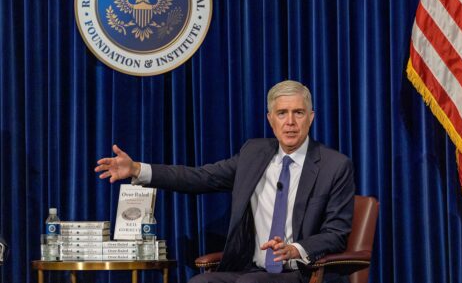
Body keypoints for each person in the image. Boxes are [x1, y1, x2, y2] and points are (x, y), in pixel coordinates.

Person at [96, 80, 355, 283]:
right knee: (201, 281)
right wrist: (138, 169)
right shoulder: (253, 153)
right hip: (250, 269)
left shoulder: (334, 165)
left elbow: (336, 234)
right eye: (282, 113)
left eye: (298, 112)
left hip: (301, 273)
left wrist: (295, 249)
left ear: (311, 117)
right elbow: (200, 177)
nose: (290, 122)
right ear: (270, 119)